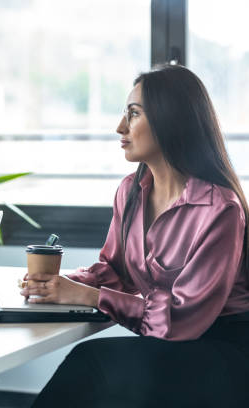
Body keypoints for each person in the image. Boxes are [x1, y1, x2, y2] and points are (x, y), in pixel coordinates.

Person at [23, 65, 249, 407]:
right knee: (103, 376)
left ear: (169, 119)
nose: (120, 127)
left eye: (133, 113)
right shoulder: (131, 191)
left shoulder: (220, 209)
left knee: (95, 365)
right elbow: (113, 270)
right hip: (170, 346)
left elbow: (182, 319)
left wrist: (88, 297)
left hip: (222, 351)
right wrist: (57, 284)